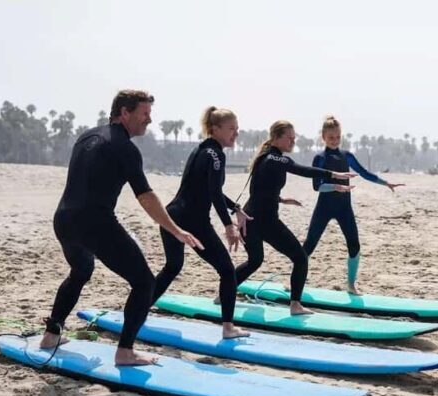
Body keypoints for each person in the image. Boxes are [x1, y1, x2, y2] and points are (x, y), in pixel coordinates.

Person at [41, 90, 202, 365]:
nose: (149, 120)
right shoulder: (124, 147)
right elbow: (146, 196)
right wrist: (175, 229)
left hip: (64, 219)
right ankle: (125, 351)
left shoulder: (87, 137)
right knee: (144, 282)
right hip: (95, 222)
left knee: (81, 271)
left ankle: (51, 335)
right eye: (144, 113)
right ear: (124, 112)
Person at [234, 120, 356, 315]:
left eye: (294, 138)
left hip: (250, 219)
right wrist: (333, 174)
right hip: (264, 222)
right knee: (300, 258)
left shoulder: (266, 157)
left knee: (255, 261)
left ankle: (223, 293)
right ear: (276, 137)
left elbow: (261, 190)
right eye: (289, 138)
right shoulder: (276, 158)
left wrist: (281, 199)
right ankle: (295, 305)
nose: (293, 141)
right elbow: (303, 170)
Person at [152, 106, 251, 339]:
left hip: (172, 215)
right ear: (215, 129)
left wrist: (236, 208)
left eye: (237, 128)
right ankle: (228, 328)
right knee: (227, 271)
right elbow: (214, 192)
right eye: (231, 128)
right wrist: (229, 225)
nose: (236, 133)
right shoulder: (216, 155)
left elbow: (209, 189)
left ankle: (138, 309)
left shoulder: (201, 150)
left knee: (172, 266)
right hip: (194, 222)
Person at [303, 116, 405, 294]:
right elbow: (317, 186)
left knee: (354, 246)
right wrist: (336, 186)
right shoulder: (319, 158)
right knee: (309, 245)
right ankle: (295, 281)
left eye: (338, 137)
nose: (335, 140)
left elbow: (364, 173)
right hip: (324, 208)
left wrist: (386, 183)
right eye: (331, 137)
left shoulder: (347, 156)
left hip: (344, 208)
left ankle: (351, 285)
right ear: (323, 137)